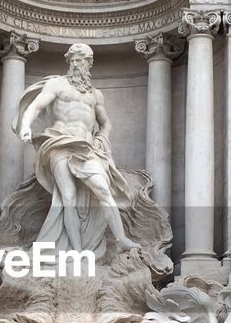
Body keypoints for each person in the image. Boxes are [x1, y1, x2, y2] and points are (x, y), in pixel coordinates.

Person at [14, 42, 140, 256]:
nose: (75, 64)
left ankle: (121, 239)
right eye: (71, 60)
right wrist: (25, 125)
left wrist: (102, 137)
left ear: (88, 63)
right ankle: (77, 250)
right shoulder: (57, 84)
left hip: (87, 148)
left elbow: (106, 123)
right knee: (68, 197)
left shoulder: (95, 95)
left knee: (103, 189)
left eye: (79, 60)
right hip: (59, 142)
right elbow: (36, 107)